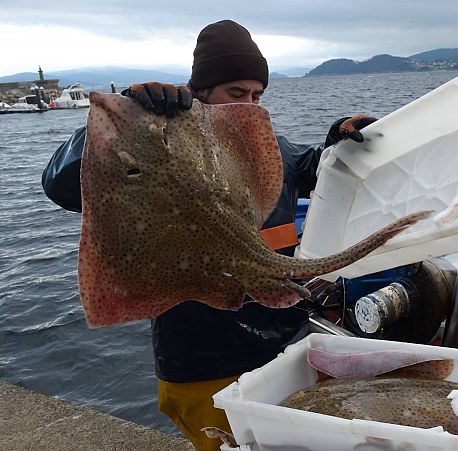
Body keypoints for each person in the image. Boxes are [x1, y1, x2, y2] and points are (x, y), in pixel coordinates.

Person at [41, 19, 374, 451]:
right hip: (204, 360)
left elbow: (306, 167)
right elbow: (60, 181)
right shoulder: (144, 142)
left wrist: (335, 144)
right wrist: (128, 113)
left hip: (280, 343)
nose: (249, 106)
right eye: (236, 94)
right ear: (199, 91)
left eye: (257, 95)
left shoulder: (260, 145)